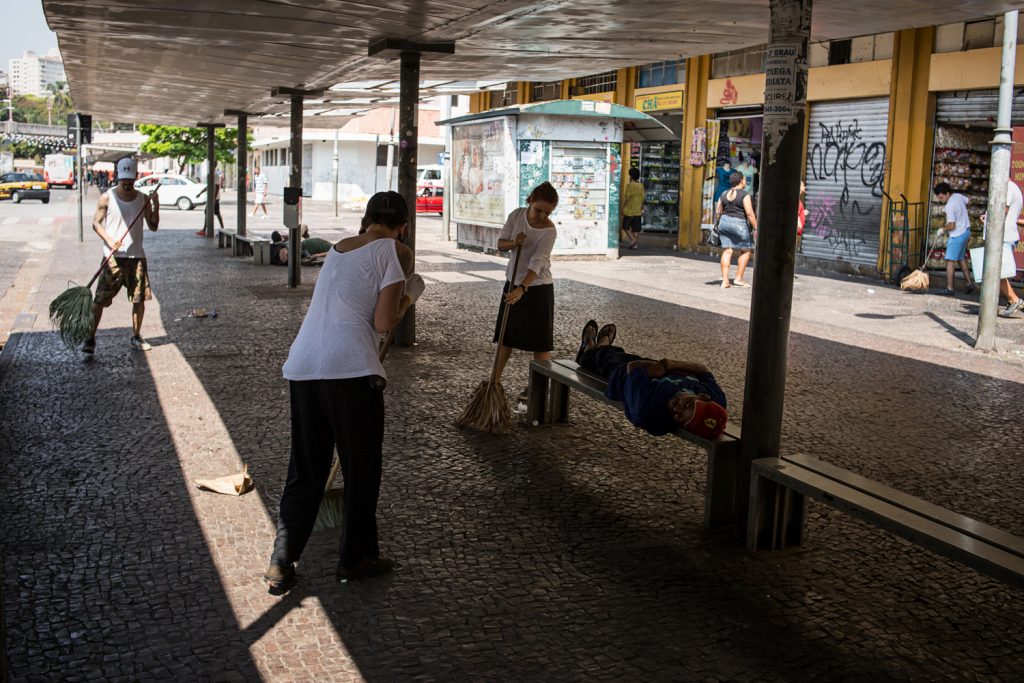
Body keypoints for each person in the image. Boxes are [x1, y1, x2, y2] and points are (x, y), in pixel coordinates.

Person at [264, 191, 424, 593]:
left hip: (304, 365)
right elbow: (386, 321)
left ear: (367, 218)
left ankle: (282, 560)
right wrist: (410, 295)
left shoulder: (337, 249)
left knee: (306, 468)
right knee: (361, 468)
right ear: (402, 226)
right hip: (350, 370)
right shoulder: (389, 249)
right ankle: (355, 557)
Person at [574, 320, 728, 438]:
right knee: (626, 357)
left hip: (621, 378)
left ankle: (591, 350)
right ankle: (599, 348)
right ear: (703, 397)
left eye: (679, 418)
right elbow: (703, 369)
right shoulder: (716, 400)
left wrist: (665, 367)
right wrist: (668, 365)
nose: (677, 409)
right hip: (655, 373)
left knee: (611, 360)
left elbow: (632, 368)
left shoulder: (648, 411)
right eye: (686, 405)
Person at [82, 156, 160, 354]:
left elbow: (153, 226)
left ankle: (136, 336)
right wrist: (109, 240)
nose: (127, 183)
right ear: (118, 176)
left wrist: (155, 205)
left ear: (135, 176)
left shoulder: (142, 198)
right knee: (99, 300)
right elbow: (96, 223)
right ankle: (90, 339)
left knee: (138, 299)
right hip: (113, 258)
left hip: (136, 258)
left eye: (130, 179)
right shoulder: (107, 197)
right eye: (123, 179)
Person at [493, 181, 559, 402]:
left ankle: (537, 389)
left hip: (538, 288)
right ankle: (493, 381)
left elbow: (537, 263)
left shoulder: (549, 231)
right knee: (505, 338)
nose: (541, 215)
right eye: (538, 209)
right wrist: (514, 242)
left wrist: (522, 288)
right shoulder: (516, 216)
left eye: (547, 212)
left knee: (540, 343)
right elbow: (500, 244)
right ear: (530, 201)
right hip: (512, 282)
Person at [981, 179, 1024, 317]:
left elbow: (1001, 211)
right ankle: (1002, 302)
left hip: (1004, 235)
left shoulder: (1007, 188)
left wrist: (989, 219)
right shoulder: (1013, 188)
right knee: (997, 271)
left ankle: (1014, 299)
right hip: (1004, 234)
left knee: (996, 271)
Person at [932, 182, 977, 296]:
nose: (940, 200)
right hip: (966, 232)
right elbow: (969, 201)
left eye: (941, 197)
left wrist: (942, 229)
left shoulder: (949, 206)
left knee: (950, 261)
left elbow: (952, 226)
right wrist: (961, 212)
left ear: (947, 194)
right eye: (938, 197)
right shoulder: (957, 196)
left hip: (957, 235)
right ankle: (969, 284)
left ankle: (950, 288)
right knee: (961, 259)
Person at [716, 171, 757, 288]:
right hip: (738, 223)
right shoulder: (744, 195)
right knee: (746, 250)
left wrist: (720, 223)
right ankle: (738, 279)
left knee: (727, 250)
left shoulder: (724, 193)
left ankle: (724, 281)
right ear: (741, 181)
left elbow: (718, 211)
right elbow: (749, 213)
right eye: (744, 179)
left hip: (724, 222)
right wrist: (756, 227)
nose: (745, 181)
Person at [621, 167, 644, 250]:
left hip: (630, 210)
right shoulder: (641, 186)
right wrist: (642, 208)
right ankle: (635, 244)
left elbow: (627, 199)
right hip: (638, 210)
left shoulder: (629, 186)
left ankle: (633, 240)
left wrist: (623, 208)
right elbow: (642, 198)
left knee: (625, 227)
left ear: (631, 176)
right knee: (636, 229)